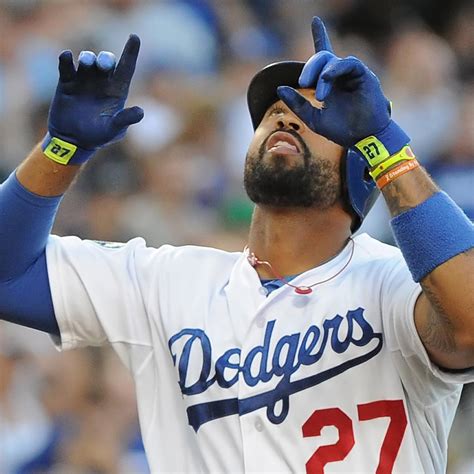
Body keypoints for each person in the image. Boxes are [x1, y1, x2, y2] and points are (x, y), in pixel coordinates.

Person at [0, 16, 473, 473]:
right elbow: (8, 275)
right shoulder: (166, 283)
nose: (287, 119)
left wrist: (385, 143)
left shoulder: (395, 285)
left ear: (361, 166)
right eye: (275, 113)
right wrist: (60, 149)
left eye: (316, 117)